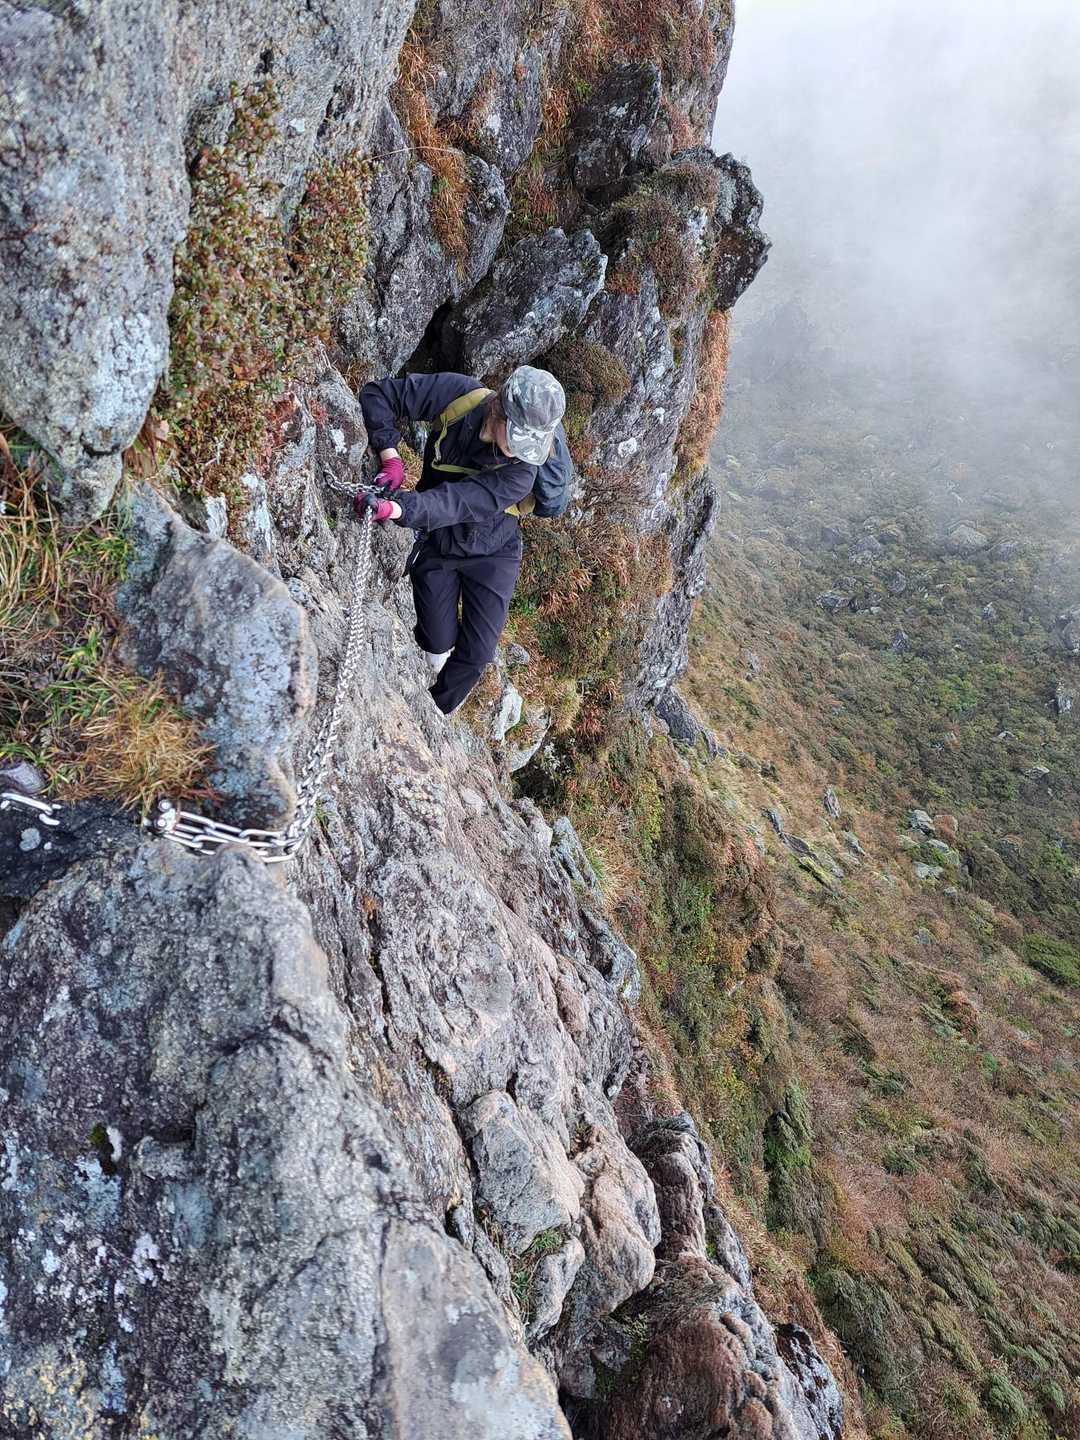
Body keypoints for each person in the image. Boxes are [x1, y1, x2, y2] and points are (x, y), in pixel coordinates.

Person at [357, 365, 571, 714]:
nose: (520, 452)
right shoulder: (459, 396)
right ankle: (432, 662)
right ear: (499, 410)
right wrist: (390, 456)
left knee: (477, 654)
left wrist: (399, 508)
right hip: (439, 541)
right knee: (435, 640)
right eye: (517, 439)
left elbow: (460, 502)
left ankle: (432, 716)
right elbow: (378, 394)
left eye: (530, 447)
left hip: (495, 552)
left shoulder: (523, 471)